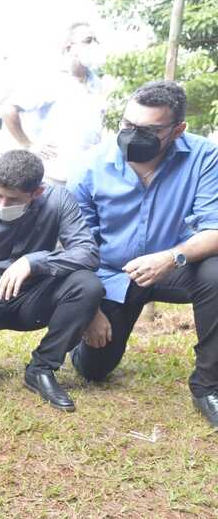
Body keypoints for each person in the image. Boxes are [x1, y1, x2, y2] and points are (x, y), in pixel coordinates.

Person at [69, 81, 218, 428]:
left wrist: (171, 257)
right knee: (94, 370)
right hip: (112, 274)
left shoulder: (205, 157)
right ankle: (77, 343)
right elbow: (75, 246)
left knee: (216, 273)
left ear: (177, 130)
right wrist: (89, 309)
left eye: (149, 130)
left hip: (177, 267)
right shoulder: (90, 166)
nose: (134, 135)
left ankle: (208, 386)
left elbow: (215, 228)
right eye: (128, 125)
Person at [0, 150, 102, 411]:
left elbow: (87, 253)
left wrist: (33, 262)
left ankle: (41, 368)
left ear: (37, 192)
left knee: (88, 285)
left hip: (34, 297)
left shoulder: (58, 200)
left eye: (12, 199)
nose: (1, 204)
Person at [1, 22, 107, 185]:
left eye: (95, 40)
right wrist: (28, 145)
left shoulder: (97, 83)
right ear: (69, 47)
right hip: (52, 177)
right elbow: (8, 110)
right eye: (88, 40)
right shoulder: (51, 79)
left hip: (86, 179)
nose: (93, 45)